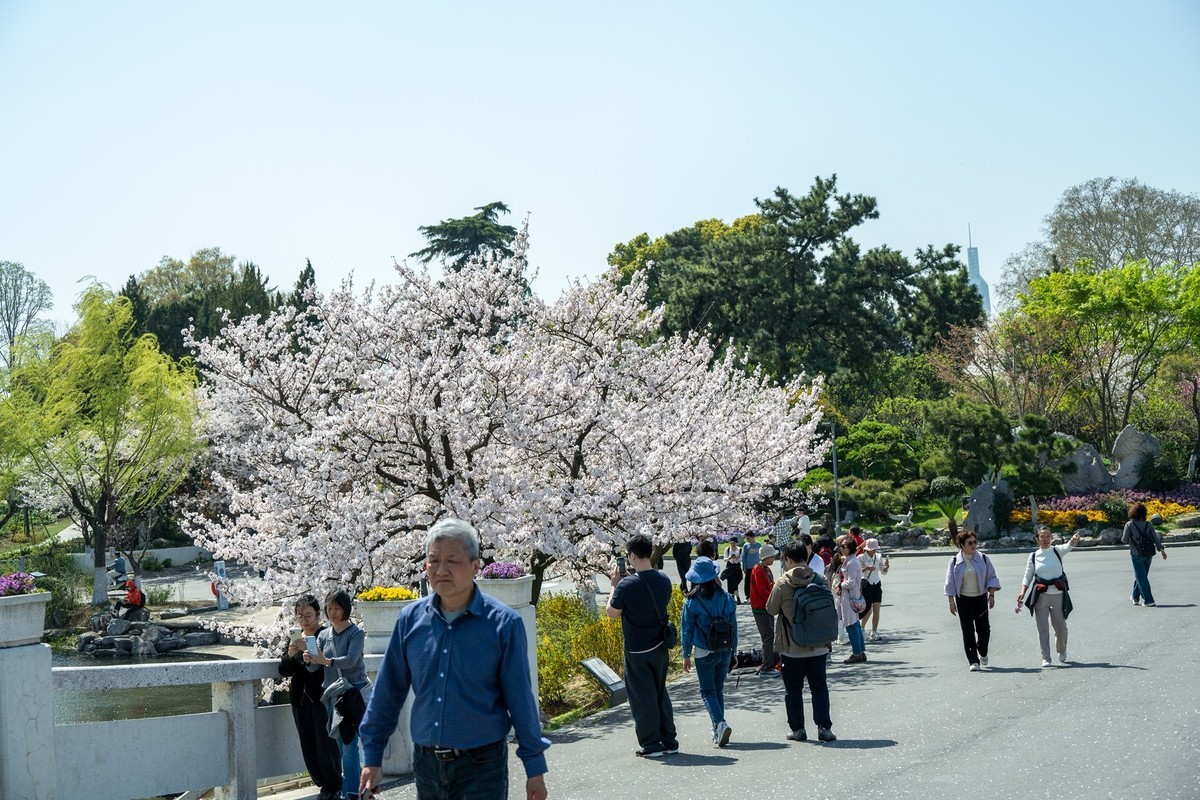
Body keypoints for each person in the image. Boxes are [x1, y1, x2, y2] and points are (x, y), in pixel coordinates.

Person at [358, 519, 549, 800]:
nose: (441, 570)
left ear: (475, 566)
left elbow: (520, 700)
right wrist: (372, 756)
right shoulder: (410, 620)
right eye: (433, 561)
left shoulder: (503, 624)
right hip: (426, 765)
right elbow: (387, 692)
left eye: (452, 560)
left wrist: (535, 769)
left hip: (482, 767)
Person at [607, 533, 679, 758]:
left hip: (637, 649)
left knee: (642, 696)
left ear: (632, 556)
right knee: (659, 692)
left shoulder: (626, 585)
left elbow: (611, 612)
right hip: (660, 645)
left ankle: (651, 744)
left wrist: (614, 586)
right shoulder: (664, 579)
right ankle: (669, 741)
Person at [766, 542, 837, 743]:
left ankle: (798, 730)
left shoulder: (783, 583)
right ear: (806, 557)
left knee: (793, 690)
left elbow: (771, 609)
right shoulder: (820, 579)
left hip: (792, 647)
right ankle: (824, 728)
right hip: (819, 645)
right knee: (819, 687)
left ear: (788, 559)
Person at [305, 589, 366, 800]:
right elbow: (315, 668)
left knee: (349, 746)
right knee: (339, 746)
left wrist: (327, 661)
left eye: (337, 608)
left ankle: (353, 793)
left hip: (351, 694)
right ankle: (349, 790)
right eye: (329, 608)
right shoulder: (323, 635)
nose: (332, 612)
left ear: (345, 609)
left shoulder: (356, 633)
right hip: (332, 695)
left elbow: (351, 660)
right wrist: (309, 659)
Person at [280, 595, 342, 800]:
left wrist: (308, 651)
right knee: (307, 744)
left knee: (326, 744)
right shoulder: (294, 637)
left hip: (321, 697)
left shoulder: (325, 635)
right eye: (300, 616)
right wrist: (290, 655)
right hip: (299, 698)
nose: (304, 620)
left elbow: (326, 665)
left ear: (317, 614)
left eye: (308, 615)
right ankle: (322, 785)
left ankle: (333, 785)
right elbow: (284, 670)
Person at [680, 556, 738, 748]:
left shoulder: (692, 602)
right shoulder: (727, 598)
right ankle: (718, 728)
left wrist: (686, 654)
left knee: (707, 691)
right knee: (718, 689)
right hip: (725, 649)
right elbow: (734, 627)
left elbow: (686, 630)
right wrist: (734, 652)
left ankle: (720, 724)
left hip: (704, 651)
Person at [1018, 526, 1081, 668]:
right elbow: (1028, 575)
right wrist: (1023, 591)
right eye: (1042, 536)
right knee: (1043, 628)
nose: (1045, 539)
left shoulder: (1057, 551)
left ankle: (1061, 649)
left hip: (1058, 595)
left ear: (1052, 538)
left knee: (1061, 628)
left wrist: (1074, 539)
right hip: (1041, 596)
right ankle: (1046, 657)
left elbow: (1068, 546)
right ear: (1037, 539)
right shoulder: (1033, 556)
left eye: (1048, 536)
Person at [944, 527, 1000, 671]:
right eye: (970, 543)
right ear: (962, 545)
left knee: (984, 630)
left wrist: (991, 595)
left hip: (980, 599)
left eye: (975, 542)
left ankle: (983, 650)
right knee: (968, 631)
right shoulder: (954, 561)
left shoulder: (983, 559)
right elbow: (950, 582)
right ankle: (973, 661)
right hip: (963, 600)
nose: (974, 545)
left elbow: (992, 577)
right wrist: (951, 602)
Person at [1122, 502, 1167, 606]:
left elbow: (1124, 540)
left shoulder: (1129, 524)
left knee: (1141, 577)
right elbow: (1155, 538)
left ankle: (1149, 600)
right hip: (1148, 553)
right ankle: (1135, 597)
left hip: (1136, 553)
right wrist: (1162, 550)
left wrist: (1132, 539)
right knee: (1142, 576)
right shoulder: (1148, 524)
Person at [833, 536, 867, 664]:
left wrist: (840, 585)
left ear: (850, 547)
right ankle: (860, 652)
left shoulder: (852, 562)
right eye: (840, 546)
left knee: (851, 626)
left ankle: (857, 653)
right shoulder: (851, 560)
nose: (841, 549)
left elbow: (851, 582)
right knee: (855, 624)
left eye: (843, 546)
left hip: (849, 597)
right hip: (851, 596)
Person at [749, 543, 780, 676]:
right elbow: (763, 590)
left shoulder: (766, 569)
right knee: (768, 637)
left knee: (770, 636)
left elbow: (770, 586)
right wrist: (775, 600)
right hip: (760, 607)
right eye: (772, 556)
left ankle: (771, 662)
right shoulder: (758, 569)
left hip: (767, 607)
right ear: (766, 557)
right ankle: (767, 667)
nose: (774, 558)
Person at [858, 538, 889, 641]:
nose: (874, 550)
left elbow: (883, 571)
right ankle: (862, 628)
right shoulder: (861, 557)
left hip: (876, 583)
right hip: (866, 583)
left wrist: (886, 567)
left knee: (877, 608)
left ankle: (874, 631)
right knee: (867, 608)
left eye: (875, 549)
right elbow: (857, 572)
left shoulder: (878, 556)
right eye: (872, 549)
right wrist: (867, 568)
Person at [740, 531, 762, 601]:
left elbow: (761, 556)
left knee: (757, 581)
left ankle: (757, 595)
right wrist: (744, 567)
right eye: (746, 538)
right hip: (748, 566)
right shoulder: (746, 545)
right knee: (748, 582)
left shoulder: (759, 545)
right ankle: (748, 596)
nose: (748, 540)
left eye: (749, 538)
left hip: (757, 566)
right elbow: (744, 557)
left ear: (753, 537)